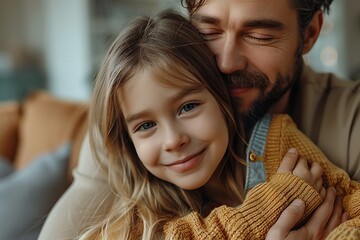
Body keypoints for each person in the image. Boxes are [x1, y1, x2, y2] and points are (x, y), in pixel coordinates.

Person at [39, 0, 360, 238]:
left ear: (311, 33)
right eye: (209, 30)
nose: (226, 62)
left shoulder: (342, 122)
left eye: (260, 35)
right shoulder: (126, 136)